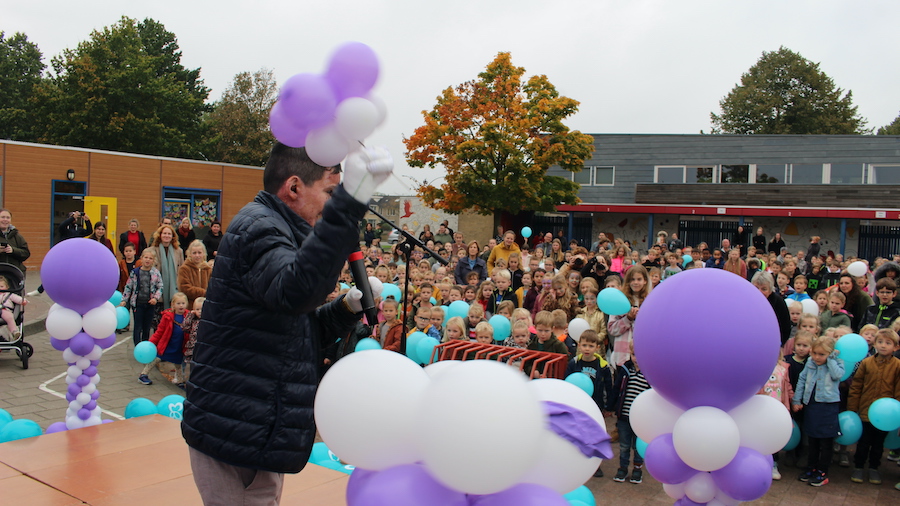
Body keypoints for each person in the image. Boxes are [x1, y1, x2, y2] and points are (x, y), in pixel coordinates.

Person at [182, 143, 393, 503]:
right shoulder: (259, 228)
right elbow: (294, 293)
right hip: (238, 429)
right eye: (329, 193)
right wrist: (348, 206)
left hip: (251, 425)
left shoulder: (279, 228)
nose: (331, 204)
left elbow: (291, 329)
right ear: (294, 187)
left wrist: (346, 309)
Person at [848, 328, 900, 485]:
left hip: (886, 415)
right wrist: (852, 408)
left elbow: (898, 391)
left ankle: (874, 468)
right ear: (875, 344)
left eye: (888, 343)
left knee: (878, 444)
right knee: (863, 442)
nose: (883, 345)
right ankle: (858, 466)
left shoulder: (897, 366)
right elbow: (856, 386)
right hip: (865, 410)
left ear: (896, 347)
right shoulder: (866, 362)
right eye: (880, 342)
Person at [792, 335, 844, 487]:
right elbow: (802, 380)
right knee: (813, 439)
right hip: (812, 405)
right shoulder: (810, 362)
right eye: (814, 353)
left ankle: (822, 471)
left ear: (830, 353)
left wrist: (831, 359)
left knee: (826, 441)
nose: (817, 357)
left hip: (828, 407)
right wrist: (797, 400)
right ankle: (811, 467)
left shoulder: (837, 363)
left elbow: (837, 375)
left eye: (821, 354)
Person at [607, 342, 649, 484]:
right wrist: (610, 407)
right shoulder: (626, 369)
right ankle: (623, 468)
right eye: (634, 354)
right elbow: (616, 389)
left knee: (637, 446)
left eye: (640, 355)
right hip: (624, 415)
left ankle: (637, 469)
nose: (636, 358)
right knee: (624, 445)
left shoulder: (649, 374)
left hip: (641, 419)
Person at [139, 292, 190, 388]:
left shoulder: (188, 316)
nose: (181, 306)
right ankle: (143, 374)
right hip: (167, 344)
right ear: (173, 304)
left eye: (183, 303)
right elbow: (159, 331)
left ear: (186, 304)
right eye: (178, 303)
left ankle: (179, 380)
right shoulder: (167, 316)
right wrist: (151, 343)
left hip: (179, 345)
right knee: (156, 358)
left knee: (178, 362)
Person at [608, 265, 650, 367]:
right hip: (622, 355)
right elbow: (612, 329)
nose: (635, 282)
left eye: (639, 279)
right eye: (632, 279)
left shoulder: (650, 301)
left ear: (645, 281)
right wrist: (628, 318)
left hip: (642, 354)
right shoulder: (619, 301)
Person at [120, 248, 163, 348]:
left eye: (150, 258)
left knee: (147, 327)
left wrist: (155, 298)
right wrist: (124, 300)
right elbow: (128, 287)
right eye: (146, 257)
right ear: (141, 258)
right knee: (138, 327)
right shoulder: (135, 272)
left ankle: (145, 346)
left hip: (150, 304)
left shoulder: (156, 273)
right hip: (137, 304)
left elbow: (160, 287)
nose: (148, 260)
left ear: (153, 260)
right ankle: (137, 346)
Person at [148, 224, 184, 310]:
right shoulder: (151, 250)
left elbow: (181, 270)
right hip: (156, 290)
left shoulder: (179, 251)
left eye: (169, 234)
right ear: (160, 235)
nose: (166, 236)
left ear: (173, 236)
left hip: (174, 288)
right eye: (164, 233)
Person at [752, 272, 792, 346]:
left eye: (764, 289)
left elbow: (785, 328)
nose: (759, 292)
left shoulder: (778, 302)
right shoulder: (746, 300)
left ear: (770, 290)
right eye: (756, 288)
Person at [177, 240, 212, 308]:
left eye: (199, 252)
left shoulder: (208, 269)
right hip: (190, 306)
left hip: (206, 305)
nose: (197, 255)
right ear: (189, 254)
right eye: (194, 253)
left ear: (204, 253)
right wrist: (204, 293)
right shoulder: (184, 269)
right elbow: (184, 288)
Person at [0, 209, 30, 276]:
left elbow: (26, 253)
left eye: (8, 217)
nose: (5, 220)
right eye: (2, 217)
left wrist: (13, 250)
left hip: (14, 275)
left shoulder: (17, 236)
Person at [0, 275, 26, 339]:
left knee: (10, 318)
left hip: (5, 310)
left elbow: (17, 299)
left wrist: (23, 301)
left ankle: (15, 332)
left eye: (1, 286)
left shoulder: (9, 295)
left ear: (7, 287)